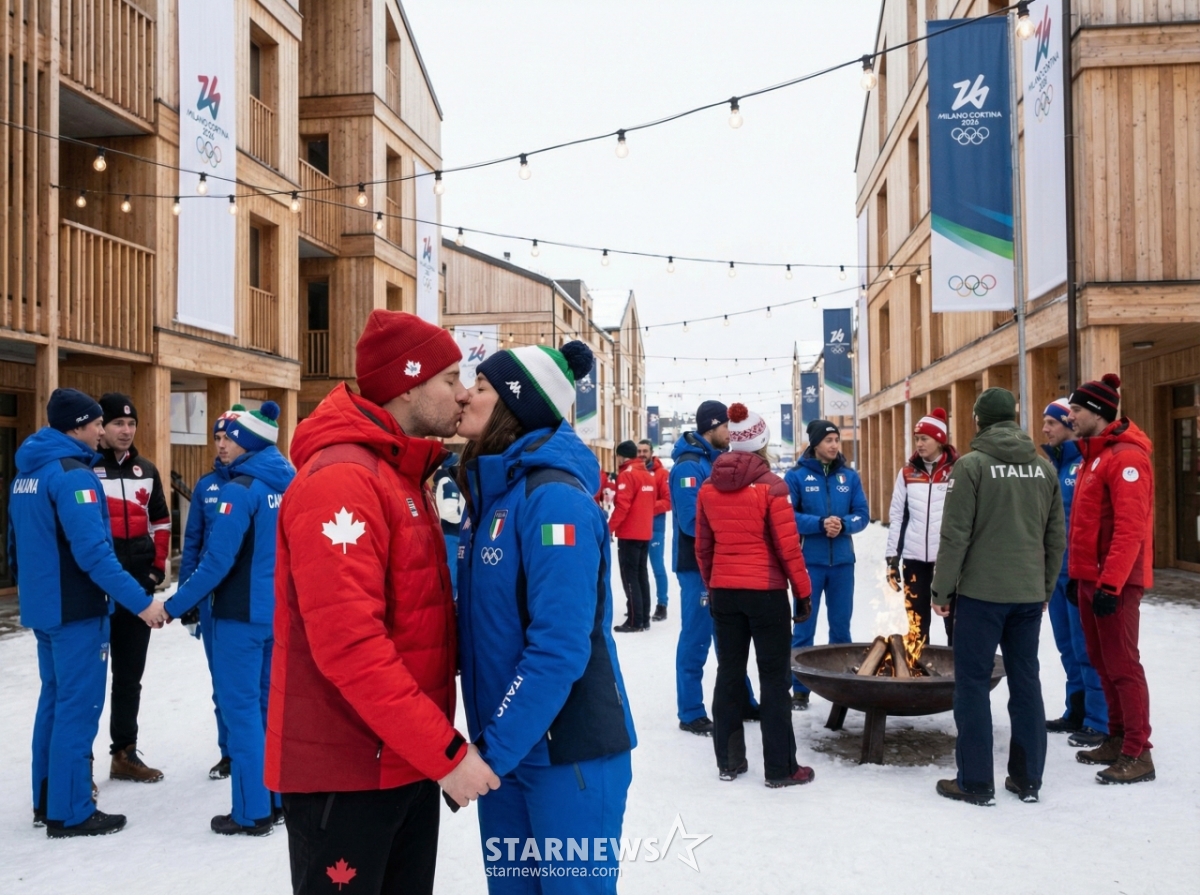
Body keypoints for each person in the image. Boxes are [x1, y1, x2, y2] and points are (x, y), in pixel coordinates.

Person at [266, 311, 496, 893]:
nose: (464, 392)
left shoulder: (398, 474)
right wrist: (445, 752)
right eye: (450, 378)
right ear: (409, 383)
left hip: (400, 760)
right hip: (348, 774)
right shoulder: (343, 480)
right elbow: (351, 646)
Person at [455, 340, 636, 889]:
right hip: (508, 753)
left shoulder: (554, 501)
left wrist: (491, 751)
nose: (464, 395)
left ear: (516, 406)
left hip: (566, 756)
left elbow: (559, 647)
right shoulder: (496, 495)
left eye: (481, 388)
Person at [10, 388, 168, 837]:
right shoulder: (75, 476)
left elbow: (14, 546)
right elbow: (95, 556)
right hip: (76, 610)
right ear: (77, 426)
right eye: (98, 422)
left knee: (54, 705)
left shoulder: (28, 472)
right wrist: (142, 604)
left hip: (44, 609)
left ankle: (47, 798)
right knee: (78, 711)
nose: (104, 429)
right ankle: (72, 810)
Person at [164, 402, 295, 835]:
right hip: (274, 615)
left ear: (250, 442)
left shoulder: (240, 490)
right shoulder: (286, 482)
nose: (223, 445)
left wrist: (172, 605)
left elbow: (215, 562)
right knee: (264, 711)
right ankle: (274, 800)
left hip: (238, 618)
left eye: (231, 438)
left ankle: (251, 811)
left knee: (241, 717)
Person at [930, 388, 1064, 806]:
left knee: (971, 684)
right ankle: (1027, 780)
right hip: (1026, 595)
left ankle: (975, 781)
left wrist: (942, 588)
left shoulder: (970, 467)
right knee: (1026, 681)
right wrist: (1044, 587)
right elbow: (1056, 536)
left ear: (979, 421)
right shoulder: (1044, 469)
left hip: (981, 594)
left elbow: (955, 535)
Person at [695, 404, 815, 787]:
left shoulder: (709, 488)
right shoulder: (772, 487)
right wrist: (803, 592)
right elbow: (788, 548)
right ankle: (781, 768)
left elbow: (703, 547)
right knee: (774, 679)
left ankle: (729, 761)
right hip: (766, 594)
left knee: (728, 674)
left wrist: (713, 584)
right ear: (762, 442)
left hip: (726, 594)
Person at [1066, 374, 1156, 785]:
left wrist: (1110, 584)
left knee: (1123, 664)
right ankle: (1117, 737)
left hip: (1113, 584)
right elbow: (1085, 527)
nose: (1071, 417)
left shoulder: (1127, 459)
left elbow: (1129, 529)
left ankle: (1139, 752)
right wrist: (1078, 575)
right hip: (1091, 580)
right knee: (1102, 661)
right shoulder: (1094, 456)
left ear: (1098, 413)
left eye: (1077, 411)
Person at [93, 393, 171, 785]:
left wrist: (156, 571)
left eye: (131, 424)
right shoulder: (87, 470)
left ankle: (124, 753)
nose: (125, 431)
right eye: (117, 424)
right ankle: (80, 763)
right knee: (88, 680)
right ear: (101, 428)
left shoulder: (147, 470)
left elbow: (160, 521)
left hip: (138, 590)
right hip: (98, 590)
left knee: (128, 677)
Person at [785, 420, 869, 710]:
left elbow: (863, 515)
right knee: (804, 628)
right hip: (809, 564)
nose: (835, 445)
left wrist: (843, 524)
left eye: (837, 440)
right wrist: (820, 524)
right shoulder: (795, 477)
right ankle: (798, 689)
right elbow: (788, 517)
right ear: (815, 443)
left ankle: (841, 687)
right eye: (829, 440)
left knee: (841, 629)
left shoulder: (849, 477)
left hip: (843, 564)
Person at [1041, 398, 1108, 747]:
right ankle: (1076, 710)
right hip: (1057, 575)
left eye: (1051, 423)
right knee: (1067, 647)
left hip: (1082, 573)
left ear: (1069, 424)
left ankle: (1099, 719)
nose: (1045, 429)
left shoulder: (1085, 463)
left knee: (1086, 648)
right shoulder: (1053, 466)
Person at [178, 410, 237, 780]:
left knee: (256, 685)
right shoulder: (206, 487)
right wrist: (187, 602)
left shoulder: (259, 483)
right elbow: (193, 543)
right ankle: (229, 752)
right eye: (217, 438)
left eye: (228, 438)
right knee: (222, 683)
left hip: (251, 602)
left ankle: (258, 750)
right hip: (212, 602)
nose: (221, 445)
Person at [670, 400, 728, 736]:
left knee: (729, 636)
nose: (730, 433)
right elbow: (691, 522)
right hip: (696, 566)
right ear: (711, 426)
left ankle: (740, 698)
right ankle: (690, 710)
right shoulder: (688, 467)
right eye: (725, 427)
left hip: (721, 561)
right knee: (696, 638)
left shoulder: (715, 459)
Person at [884, 408, 959, 644]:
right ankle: (918, 673)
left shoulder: (957, 470)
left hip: (946, 561)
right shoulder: (907, 472)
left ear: (939, 439)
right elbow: (897, 515)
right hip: (914, 560)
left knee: (954, 624)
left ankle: (956, 675)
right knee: (917, 625)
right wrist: (892, 558)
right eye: (917, 438)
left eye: (924, 438)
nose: (919, 443)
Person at [610, 439, 656, 632]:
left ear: (621, 456)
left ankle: (634, 621)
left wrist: (608, 528)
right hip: (644, 532)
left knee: (630, 578)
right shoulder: (647, 474)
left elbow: (623, 506)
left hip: (630, 533)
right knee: (641, 576)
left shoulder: (627, 475)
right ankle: (644, 618)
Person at [640, 439, 672, 621]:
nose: (641, 454)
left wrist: (646, 507)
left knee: (657, 566)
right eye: (639, 451)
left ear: (651, 452)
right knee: (638, 569)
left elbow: (668, 502)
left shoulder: (661, 474)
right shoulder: (634, 472)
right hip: (636, 528)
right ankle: (640, 603)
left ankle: (662, 604)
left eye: (645, 451)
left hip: (655, 528)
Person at [433, 453, 465, 598]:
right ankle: (452, 597)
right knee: (452, 567)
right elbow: (449, 511)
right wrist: (462, 522)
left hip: (452, 531)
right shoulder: (448, 482)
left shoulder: (449, 480)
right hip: (452, 532)